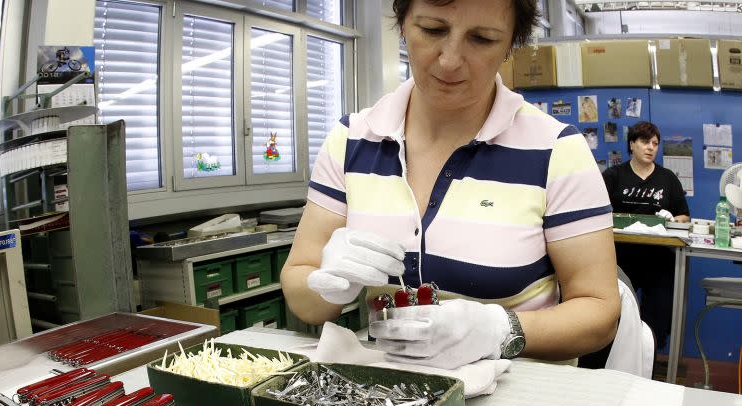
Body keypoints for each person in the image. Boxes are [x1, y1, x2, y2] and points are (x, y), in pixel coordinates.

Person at [281, 0, 620, 370]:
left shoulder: (556, 151)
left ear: (510, 44)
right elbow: (301, 292)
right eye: (432, 30)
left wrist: (500, 330)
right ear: (403, 23)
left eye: (482, 38)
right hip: (390, 396)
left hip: (521, 404)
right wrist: (326, 284)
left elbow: (599, 312)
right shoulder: (351, 141)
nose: (449, 60)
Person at [586, 122, 689, 367]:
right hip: (620, 259)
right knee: (616, 317)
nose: (650, 148)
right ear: (632, 144)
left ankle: (649, 367)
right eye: (645, 142)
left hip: (659, 260)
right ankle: (611, 367)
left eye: (655, 143)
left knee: (655, 322)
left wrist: (673, 220)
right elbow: (595, 209)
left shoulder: (668, 179)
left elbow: (684, 215)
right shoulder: (613, 176)